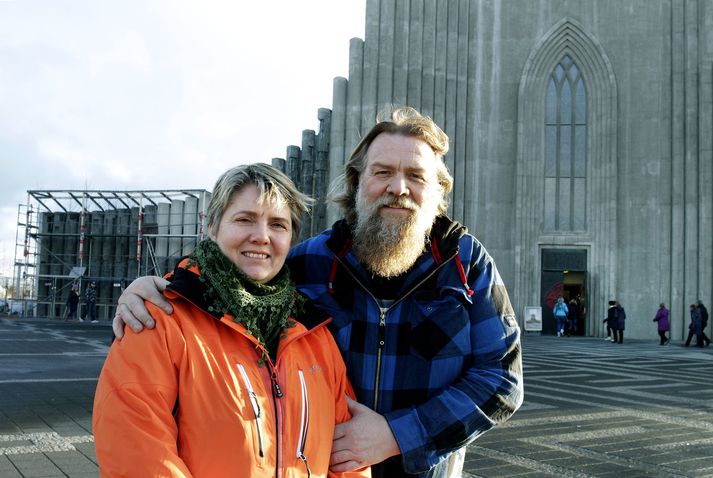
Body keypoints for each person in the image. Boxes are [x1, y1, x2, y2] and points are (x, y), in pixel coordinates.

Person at [112, 107, 524, 478]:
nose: (398, 187)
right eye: (382, 172)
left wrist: (397, 436)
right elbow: (236, 274)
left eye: (416, 176)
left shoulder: (466, 263)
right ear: (357, 183)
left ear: (437, 192)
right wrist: (155, 287)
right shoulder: (309, 262)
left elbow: (502, 378)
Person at [93, 163, 370, 478]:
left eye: (278, 224)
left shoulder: (314, 335)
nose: (261, 236)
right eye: (245, 219)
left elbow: (348, 460)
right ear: (213, 227)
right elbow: (137, 453)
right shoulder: (160, 319)